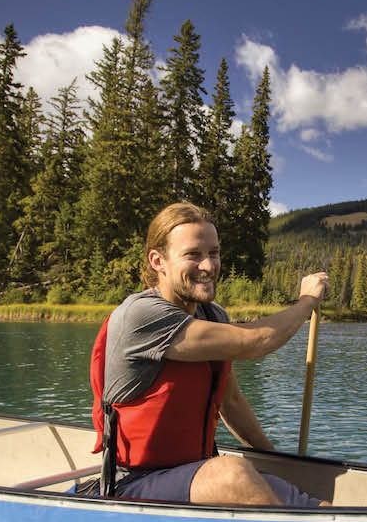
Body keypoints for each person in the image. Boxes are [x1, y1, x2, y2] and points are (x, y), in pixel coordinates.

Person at [90, 202, 329, 506]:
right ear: (157, 261)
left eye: (213, 253)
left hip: (191, 474)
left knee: (318, 505)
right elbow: (255, 341)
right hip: (134, 483)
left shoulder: (213, 315)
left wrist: (281, 464)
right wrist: (306, 301)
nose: (208, 265)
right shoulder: (142, 316)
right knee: (232, 475)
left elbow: (231, 401)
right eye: (193, 255)